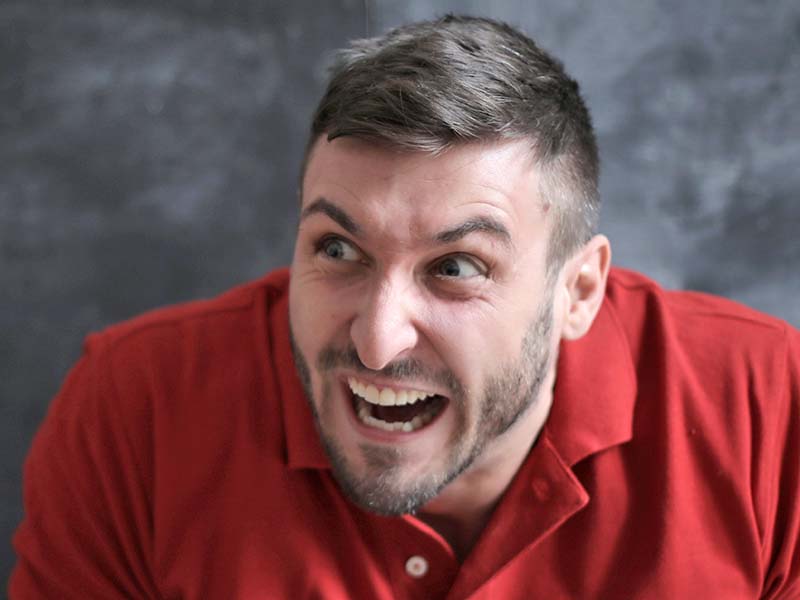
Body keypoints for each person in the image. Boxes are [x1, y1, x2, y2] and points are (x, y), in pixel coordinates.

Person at [9, 14, 799, 600]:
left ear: (578, 292)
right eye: (337, 250)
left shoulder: (768, 408)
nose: (377, 341)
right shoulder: (138, 406)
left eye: (456, 268)